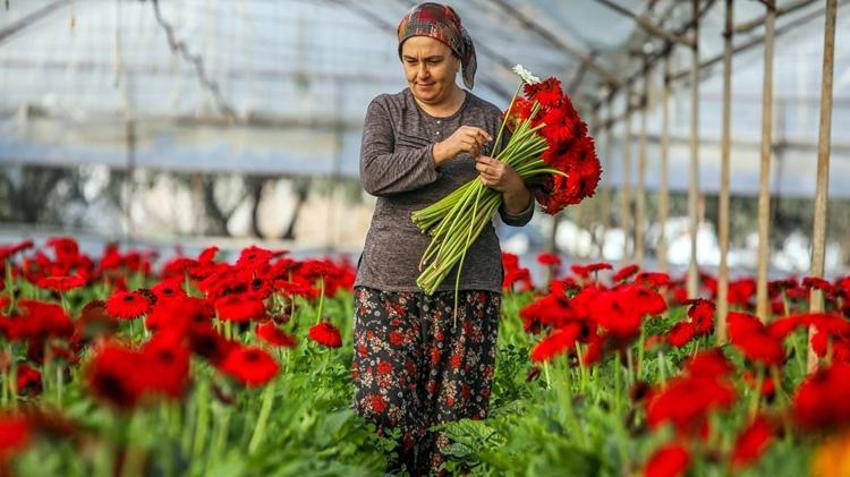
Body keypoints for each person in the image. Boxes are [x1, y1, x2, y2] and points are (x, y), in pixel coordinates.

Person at [350, 3, 534, 475]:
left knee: (456, 430)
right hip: (389, 287)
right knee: (384, 416)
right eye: (411, 61)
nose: (421, 73)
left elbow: (518, 213)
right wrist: (442, 150)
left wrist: (512, 185)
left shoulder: (492, 119)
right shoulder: (387, 110)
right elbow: (374, 174)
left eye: (432, 61)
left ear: (456, 57)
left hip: (466, 290)